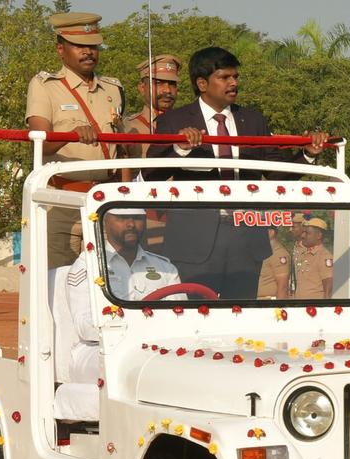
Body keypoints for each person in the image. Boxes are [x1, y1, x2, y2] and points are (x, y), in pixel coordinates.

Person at [146, 46, 329, 298]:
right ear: (202, 83)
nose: (233, 83)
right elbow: (150, 174)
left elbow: (276, 175)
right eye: (225, 77)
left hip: (246, 238)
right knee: (197, 320)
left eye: (235, 77)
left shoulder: (254, 121)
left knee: (242, 318)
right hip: (194, 241)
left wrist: (308, 153)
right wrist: (180, 148)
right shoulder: (173, 121)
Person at [26, 12, 125, 269]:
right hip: (61, 200)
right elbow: (40, 143)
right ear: (61, 49)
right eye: (80, 46)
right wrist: (70, 134)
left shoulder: (113, 89)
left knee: (108, 282)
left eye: (93, 46)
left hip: (105, 201)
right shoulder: (44, 86)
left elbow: (123, 151)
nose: (88, 52)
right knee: (58, 282)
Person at [65, 208, 180, 384]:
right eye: (122, 218)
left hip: (158, 345)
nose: (131, 224)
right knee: (137, 368)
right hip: (100, 349)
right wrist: (137, 324)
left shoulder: (164, 267)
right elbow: (85, 326)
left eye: (137, 218)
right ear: (105, 221)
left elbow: (180, 317)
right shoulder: (88, 265)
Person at [121, 53, 180, 174]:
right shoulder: (128, 127)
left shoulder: (187, 123)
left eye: (172, 84)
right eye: (158, 83)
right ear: (142, 88)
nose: (167, 90)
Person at [290, 214, 334, 299]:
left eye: (307, 233)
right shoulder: (304, 253)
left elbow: (328, 290)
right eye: (303, 232)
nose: (303, 236)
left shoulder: (324, 256)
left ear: (319, 236)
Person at [255, 227, 291, 299]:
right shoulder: (264, 250)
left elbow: (283, 286)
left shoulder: (278, 253)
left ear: (271, 232)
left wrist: (279, 307)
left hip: (270, 302)